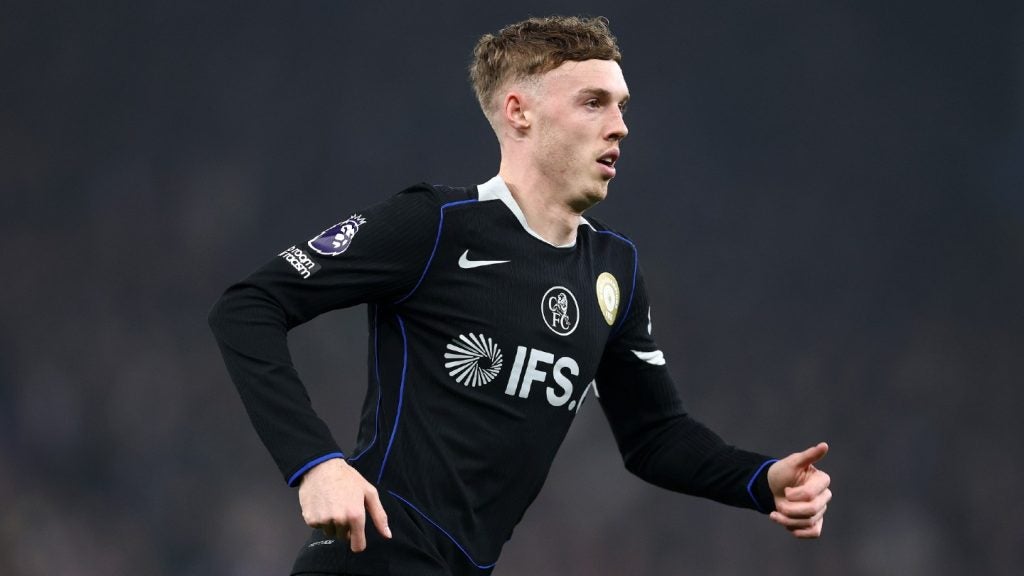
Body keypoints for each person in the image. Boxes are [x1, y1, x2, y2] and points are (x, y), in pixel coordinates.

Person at [208, 15, 832, 576]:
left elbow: (655, 436)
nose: (620, 126)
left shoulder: (614, 269)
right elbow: (247, 308)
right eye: (593, 103)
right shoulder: (436, 226)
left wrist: (760, 480)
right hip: (375, 557)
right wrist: (315, 463)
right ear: (519, 112)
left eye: (621, 106)